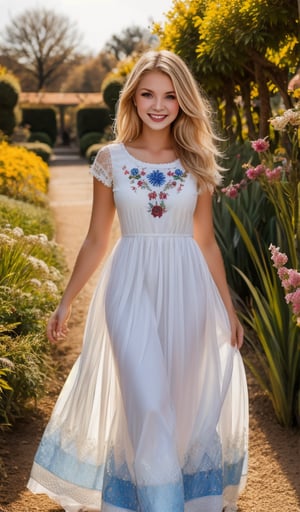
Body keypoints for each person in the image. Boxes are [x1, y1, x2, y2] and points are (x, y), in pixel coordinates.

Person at [27, 50, 248, 512]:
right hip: (128, 288)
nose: (158, 104)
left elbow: (206, 241)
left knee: (181, 402)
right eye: (147, 93)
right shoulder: (110, 159)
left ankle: (172, 496)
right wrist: (66, 301)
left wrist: (227, 308)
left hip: (189, 289)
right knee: (147, 401)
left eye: (169, 95)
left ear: (183, 101)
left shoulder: (197, 160)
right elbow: (95, 239)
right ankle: (159, 503)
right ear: (133, 99)